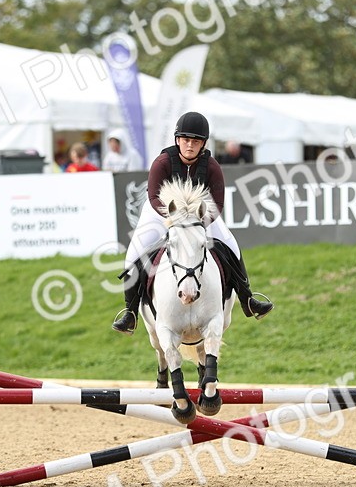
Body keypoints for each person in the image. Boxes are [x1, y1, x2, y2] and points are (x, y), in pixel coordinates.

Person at [112, 111, 272, 334]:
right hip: (161, 214)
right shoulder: (163, 162)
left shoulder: (212, 167)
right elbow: (153, 197)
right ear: (178, 140)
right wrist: (175, 219)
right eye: (186, 140)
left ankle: (248, 299)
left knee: (232, 246)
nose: (189, 145)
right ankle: (129, 312)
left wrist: (197, 222)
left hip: (200, 216)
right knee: (133, 254)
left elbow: (217, 203)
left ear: (203, 144)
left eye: (195, 141)